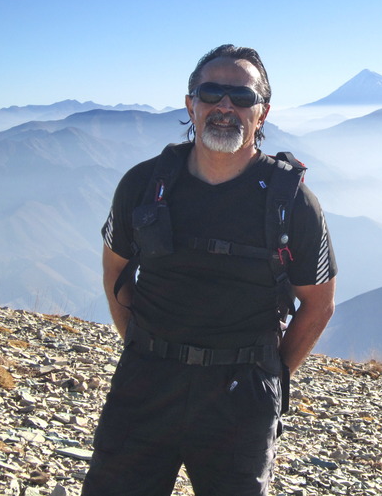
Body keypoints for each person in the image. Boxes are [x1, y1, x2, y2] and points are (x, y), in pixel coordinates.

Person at [82, 44, 337, 496]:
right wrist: (144, 345)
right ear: (190, 104)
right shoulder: (143, 185)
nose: (225, 106)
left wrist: (271, 375)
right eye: (211, 93)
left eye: (242, 97)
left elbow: (318, 306)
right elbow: (115, 273)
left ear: (262, 113)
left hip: (242, 396)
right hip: (146, 381)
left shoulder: (292, 203)